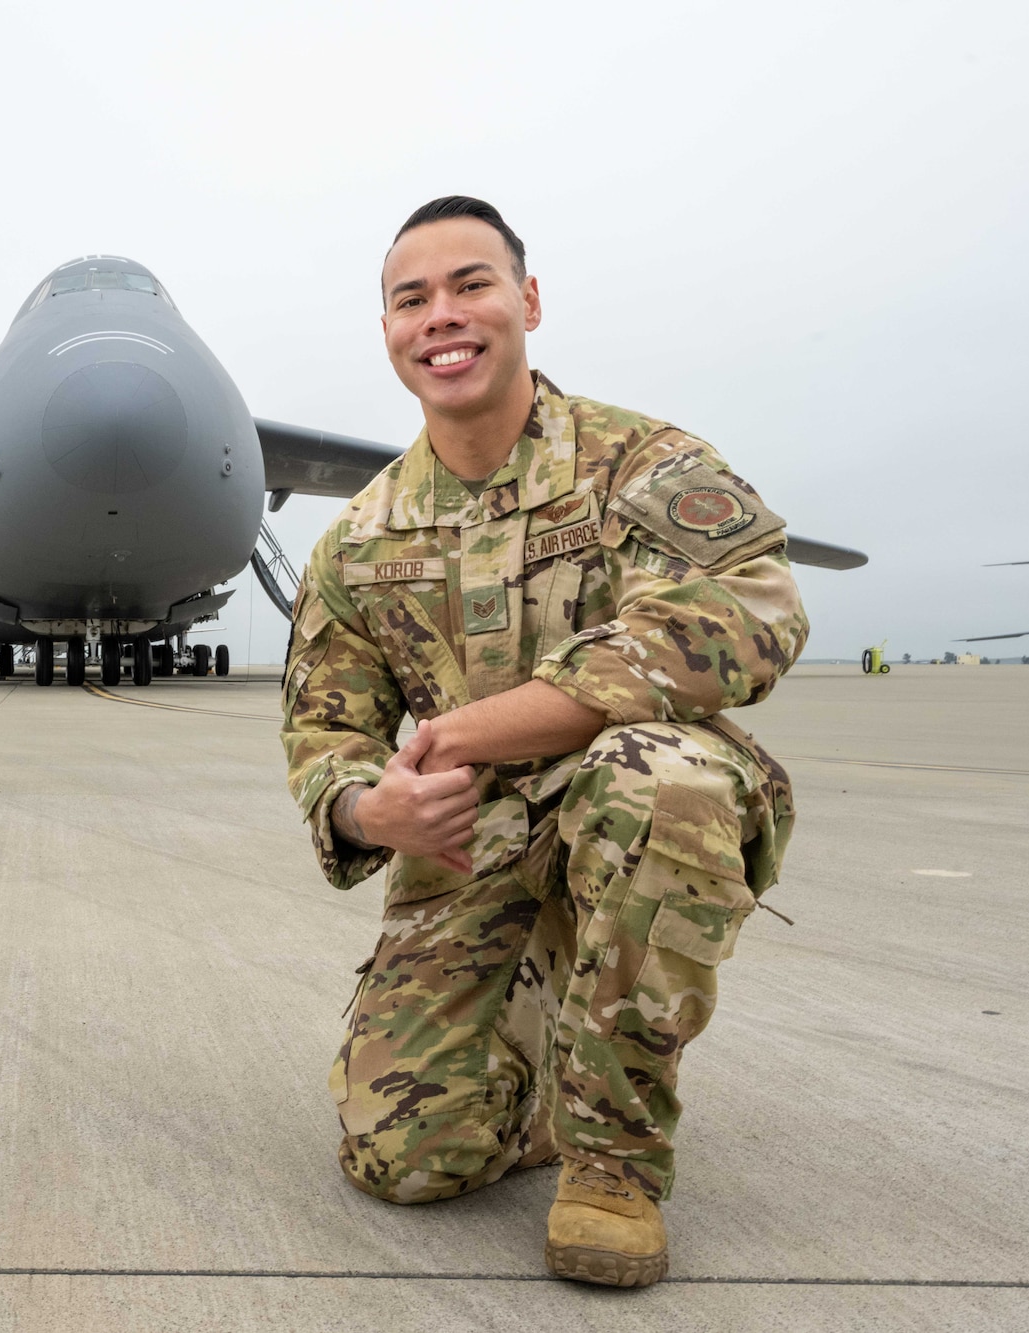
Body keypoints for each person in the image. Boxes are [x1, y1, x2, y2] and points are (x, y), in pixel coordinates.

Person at [280, 196, 807, 1288]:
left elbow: (751, 607)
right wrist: (362, 807)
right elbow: (323, 727)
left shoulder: (634, 465)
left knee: (652, 777)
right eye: (408, 298)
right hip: (471, 850)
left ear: (525, 301)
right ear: (386, 331)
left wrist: (477, 725)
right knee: (404, 1157)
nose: (440, 316)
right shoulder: (360, 539)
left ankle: (613, 1160)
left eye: (469, 284)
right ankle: (546, 1069)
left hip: (639, 809)